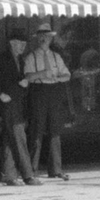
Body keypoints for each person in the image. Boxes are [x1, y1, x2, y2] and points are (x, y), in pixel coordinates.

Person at [0, 26, 40, 186]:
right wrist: (0, 94)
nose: (23, 46)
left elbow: (20, 83)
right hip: (8, 104)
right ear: (12, 43)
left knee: (10, 139)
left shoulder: (21, 61)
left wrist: (24, 85)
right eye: (20, 43)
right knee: (19, 137)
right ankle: (28, 175)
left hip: (18, 104)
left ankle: (9, 175)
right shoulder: (2, 59)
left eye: (24, 43)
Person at [24, 20, 72, 180]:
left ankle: (56, 169)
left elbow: (67, 75)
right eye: (41, 36)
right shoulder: (31, 57)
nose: (44, 39)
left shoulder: (56, 56)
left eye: (47, 36)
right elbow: (27, 77)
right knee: (37, 130)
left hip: (54, 91)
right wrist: (41, 74)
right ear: (37, 39)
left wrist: (58, 77)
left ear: (51, 39)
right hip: (39, 91)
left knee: (55, 130)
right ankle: (32, 170)